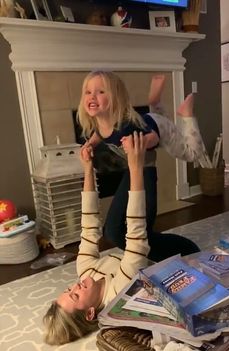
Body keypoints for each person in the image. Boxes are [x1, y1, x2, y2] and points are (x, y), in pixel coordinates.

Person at [43, 132, 199, 345]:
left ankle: (144, 162)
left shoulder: (85, 271)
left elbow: (88, 225)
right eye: (75, 296)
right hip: (184, 253)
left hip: (149, 247)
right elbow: (136, 235)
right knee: (119, 233)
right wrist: (136, 167)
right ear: (90, 313)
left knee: (112, 232)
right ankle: (145, 163)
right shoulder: (118, 292)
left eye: (69, 289)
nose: (75, 286)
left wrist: (87, 168)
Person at [76, 70, 205, 251]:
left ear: (116, 98)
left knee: (191, 154)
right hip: (143, 145)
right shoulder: (100, 122)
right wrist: (89, 144)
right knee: (119, 230)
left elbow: (153, 136)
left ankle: (186, 113)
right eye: (88, 92)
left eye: (101, 92)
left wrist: (140, 143)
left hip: (158, 129)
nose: (92, 96)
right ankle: (154, 103)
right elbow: (99, 134)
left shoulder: (125, 125)